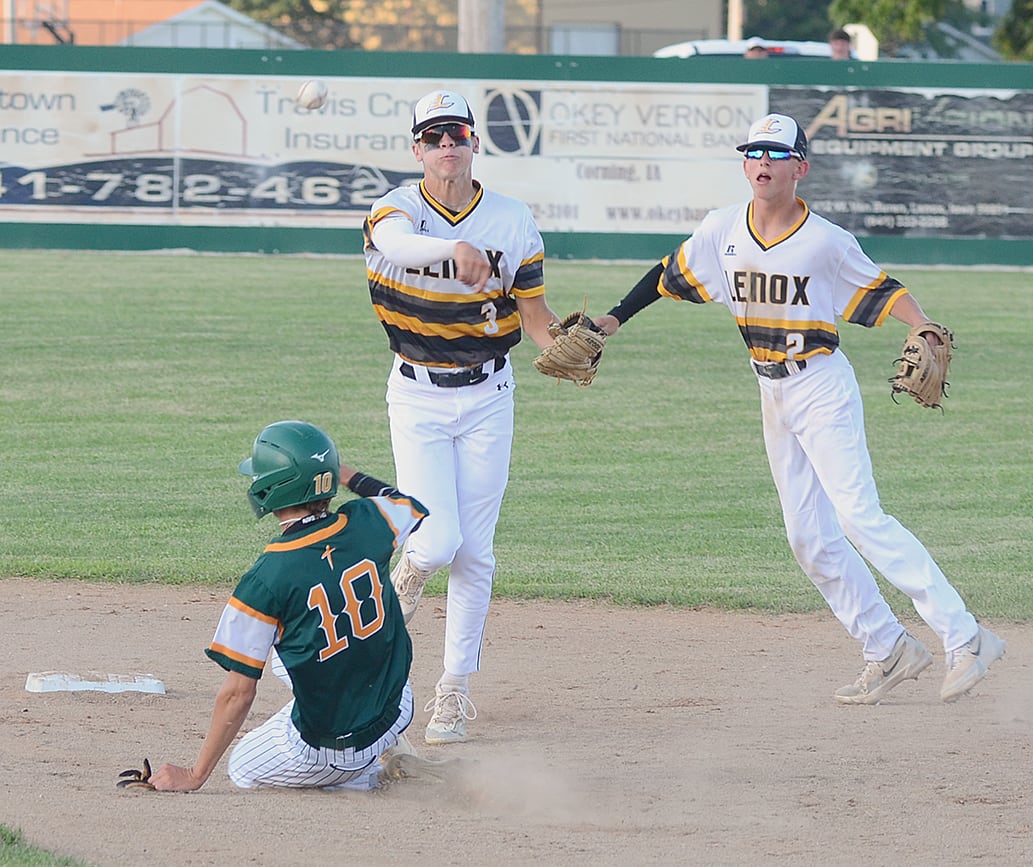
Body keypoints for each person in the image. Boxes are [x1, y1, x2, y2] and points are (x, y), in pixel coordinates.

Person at [593, 113, 1005, 706]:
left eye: (776, 154)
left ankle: (965, 637)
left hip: (820, 386)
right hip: (771, 389)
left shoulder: (825, 240)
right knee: (808, 538)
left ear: (800, 167)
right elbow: (667, 276)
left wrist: (924, 327)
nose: (763, 163)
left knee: (859, 517)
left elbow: (882, 290)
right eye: (754, 153)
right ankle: (888, 648)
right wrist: (611, 320)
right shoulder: (721, 229)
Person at [362, 89, 564, 744]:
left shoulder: (511, 218)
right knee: (438, 540)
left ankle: (453, 688)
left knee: (476, 550)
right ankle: (410, 564)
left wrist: (563, 347)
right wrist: (452, 249)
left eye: (458, 134)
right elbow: (398, 244)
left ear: (475, 142)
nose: (448, 145)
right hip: (416, 396)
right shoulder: (393, 209)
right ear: (416, 148)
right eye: (434, 136)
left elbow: (534, 315)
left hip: (488, 397)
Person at [148, 420, 429, 792]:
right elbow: (408, 503)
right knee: (289, 641)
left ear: (270, 488)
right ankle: (384, 756)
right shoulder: (369, 520)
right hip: (397, 708)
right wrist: (343, 474)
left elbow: (238, 692)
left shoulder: (265, 579)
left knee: (242, 766)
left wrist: (196, 774)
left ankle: (367, 780)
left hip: (330, 751)